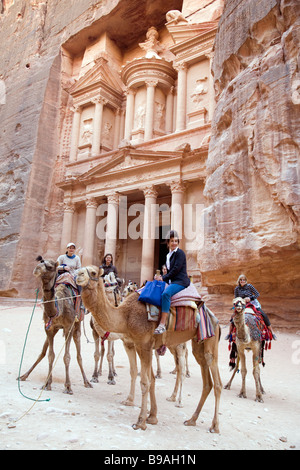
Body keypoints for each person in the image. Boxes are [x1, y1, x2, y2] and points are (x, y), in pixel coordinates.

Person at [153, 230, 190, 334]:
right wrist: (160, 277)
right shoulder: (168, 255)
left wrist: (163, 278)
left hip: (180, 281)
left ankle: (162, 324)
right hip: (172, 281)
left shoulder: (180, 253)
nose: (174, 243)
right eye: (172, 241)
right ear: (168, 243)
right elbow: (169, 271)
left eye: (176, 241)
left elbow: (176, 270)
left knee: (165, 294)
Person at [226, 274, 276, 339]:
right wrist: (237, 304)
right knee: (234, 317)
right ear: (239, 281)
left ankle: (272, 332)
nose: (242, 281)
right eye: (241, 280)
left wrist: (250, 298)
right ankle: (229, 333)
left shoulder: (249, 286)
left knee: (263, 315)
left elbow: (257, 294)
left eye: (243, 280)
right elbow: (236, 298)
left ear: (245, 280)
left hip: (252, 303)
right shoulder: (237, 289)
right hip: (242, 304)